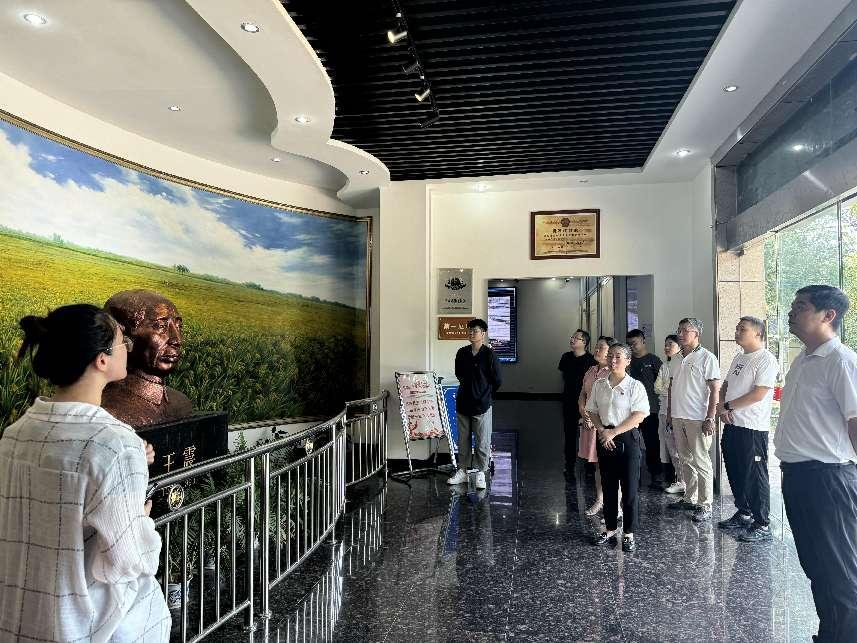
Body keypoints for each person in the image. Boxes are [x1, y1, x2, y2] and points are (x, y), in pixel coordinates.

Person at [0, 304, 171, 642]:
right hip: (87, 626)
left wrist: (131, 460)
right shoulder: (116, 444)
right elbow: (128, 560)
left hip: (19, 619)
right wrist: (141, 520)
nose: (129, 349)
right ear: (101, 360)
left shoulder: (14, 434)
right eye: (123, 342)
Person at [774, 285, 857, 641]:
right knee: (817, 567)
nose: (791, 311)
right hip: (799, 477)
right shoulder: (804, 360)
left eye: (801, 306)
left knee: (840, 572)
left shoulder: (841, 361)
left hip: (828, 478)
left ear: (828, 315)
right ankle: (830, 633)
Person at [716, 316, 778, 542]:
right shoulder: (739, 357)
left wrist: (728, 406)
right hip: (733, 424)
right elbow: (725, 386)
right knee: (735, 471)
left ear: (758, 334)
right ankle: (744, 512)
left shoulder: (766, 359)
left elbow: (758, 394)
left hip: (752, 428)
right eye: (737, 328)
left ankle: (762, 523)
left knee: (755, 475)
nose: (737, 331)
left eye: (742, 329)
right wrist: (722, 407)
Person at [588, 343, 650, 552]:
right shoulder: (599, 384)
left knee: (630, 488)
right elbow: (592, 410)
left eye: (618, 357)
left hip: (627, 439)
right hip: (605, 438)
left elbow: (639, 415)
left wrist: (613, 432)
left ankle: (629, 533)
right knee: (608, 486)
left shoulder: (635, 386)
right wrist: (602, 430)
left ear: (628, 361)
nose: (613, 360)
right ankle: (610, 528)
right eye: (610, 356)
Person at [102, 289, 193, 427]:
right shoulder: (106, 412)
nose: (177, 340)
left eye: (179, 326)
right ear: (123, 337)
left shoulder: (180, 403)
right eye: (161, 326)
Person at [668, 317, 721, 522]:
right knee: (685, 459)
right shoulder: (676, 358)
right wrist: (670, 413)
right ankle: (690, 498)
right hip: (678, 416)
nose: (680, 334)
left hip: (697, 418)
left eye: (685, 330)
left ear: (697, 334)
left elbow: (715, 390)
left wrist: (710, 417)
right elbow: (672, 387)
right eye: (679, 330)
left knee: (701, 460)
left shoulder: (707, 358)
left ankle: (705, 504)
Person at [448, 318, 502, 490]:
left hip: (482, 404)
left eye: (475, 331)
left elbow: (497, 380)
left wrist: (485, 395)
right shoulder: (462, 353)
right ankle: (462, 471)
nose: (472, 333)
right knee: (463, 440)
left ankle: (481, 472)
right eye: (470, 330)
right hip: (463, 402)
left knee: (482, 440)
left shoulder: (489, 355)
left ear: (483, 334)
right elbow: (459, 374)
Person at [577, 336, 613, 515]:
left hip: (604, 425)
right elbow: (583, 394)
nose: (597, 350)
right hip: (588, 423)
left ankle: (614, 503)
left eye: (601, 348)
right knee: (598, 464)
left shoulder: (612, 373)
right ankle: (600, 499)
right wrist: (584, 413)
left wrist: (593, 418)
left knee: (609, 465)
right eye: (596, 347)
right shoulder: (591, 370)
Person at [626, 328, 663, 488]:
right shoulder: (627, 362)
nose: (632, 347)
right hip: (630, 410)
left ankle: (656, 474)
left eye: (634, 343)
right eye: (629, 344)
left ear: (643, 341)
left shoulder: (654, 360)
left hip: (650, 410)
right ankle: (633, 473)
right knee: (631, 442)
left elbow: (662, 384)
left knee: (652, 443)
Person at [558, 329, 596, 477]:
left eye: (576, 338)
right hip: (568, 401)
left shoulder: (591, 361)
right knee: (569, 435)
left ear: (584, 342)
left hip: (586, 403)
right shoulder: (566, 357)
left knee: (588, 434)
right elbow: (563, 377)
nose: (572, 339)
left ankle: (589, 466)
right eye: (572, 337)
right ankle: (569, 464)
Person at [654, 335, 685, 494]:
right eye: (665, 344)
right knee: (672, 449)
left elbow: (679, 389)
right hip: (663, 411)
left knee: (682, 449)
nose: (667, 347)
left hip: (679, 412)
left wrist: (669, 389)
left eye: (670, 344)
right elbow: (657, 388)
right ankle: (680, 481)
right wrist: (670, 389)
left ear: (680, 346)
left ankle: (687, 482)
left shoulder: (683, 365)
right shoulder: (665, 366)